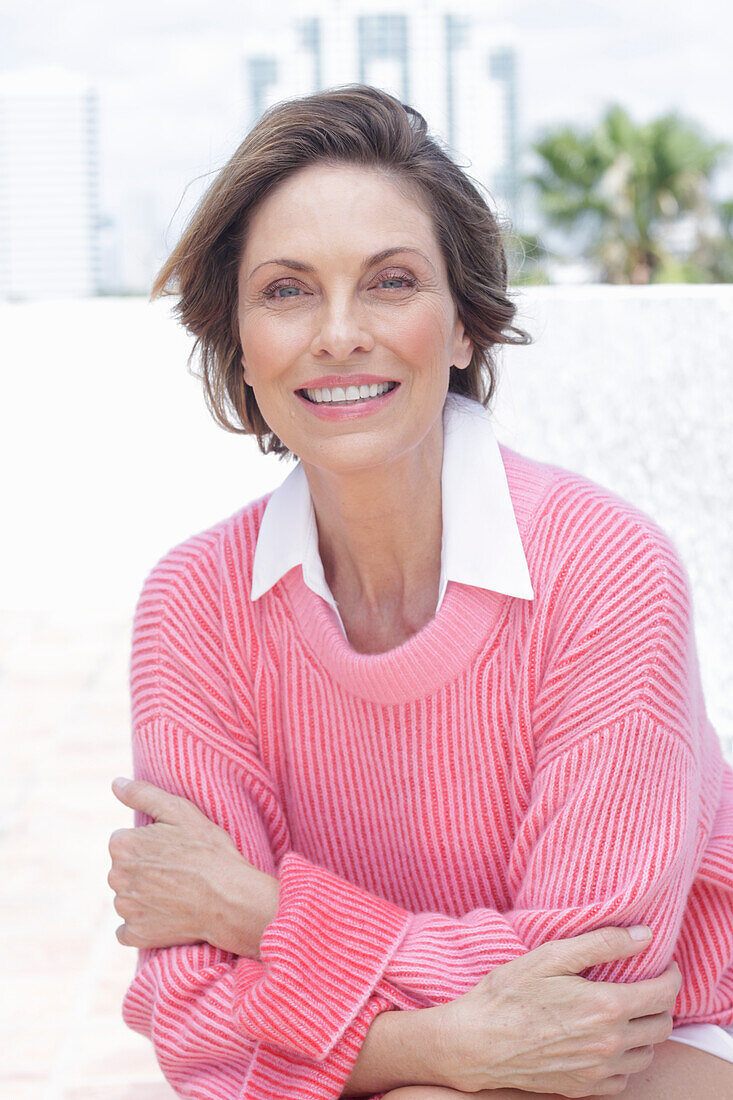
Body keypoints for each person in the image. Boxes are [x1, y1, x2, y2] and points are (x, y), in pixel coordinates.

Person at [107, 85, 733, 1099]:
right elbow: (189, 1020)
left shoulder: (606, 566)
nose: (340, 332)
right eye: (286, 290)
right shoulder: (193, 606)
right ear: (239, 341)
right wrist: (429, 1052)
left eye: (391, 282)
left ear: (462, 328)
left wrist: (263, 912)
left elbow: (592, 990)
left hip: (669, 1049)